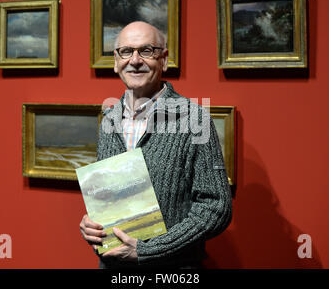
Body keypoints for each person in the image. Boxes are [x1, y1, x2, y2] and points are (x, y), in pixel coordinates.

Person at [79, 21, 232, 268]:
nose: (135, 60)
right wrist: (92, 225)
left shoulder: (194, 119)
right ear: (116, 61)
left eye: (146, 51)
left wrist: (148, 251)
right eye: (126, 51)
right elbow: (108, 200)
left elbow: (216, 208)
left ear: (164, 59)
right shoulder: (109, 120)